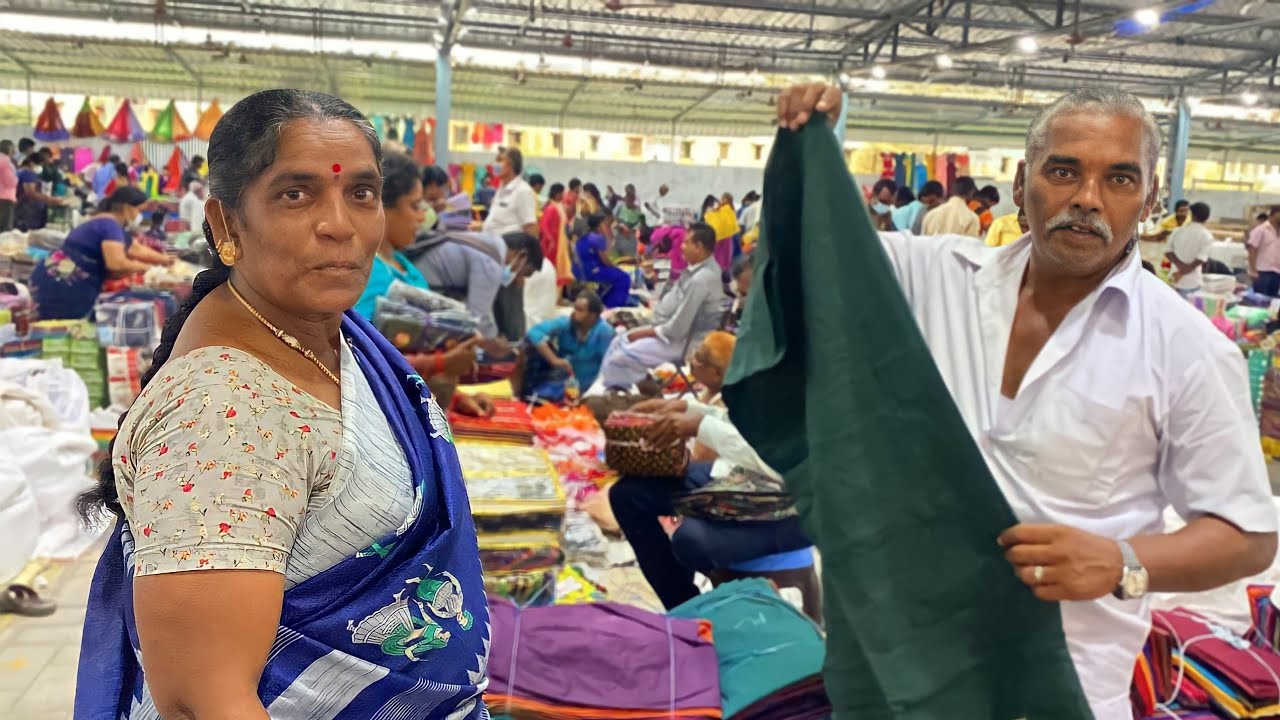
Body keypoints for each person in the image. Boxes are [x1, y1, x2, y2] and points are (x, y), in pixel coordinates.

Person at [778, 82, 1276, 720]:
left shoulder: (1186, 350)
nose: (1087, 199)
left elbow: (1247, 536)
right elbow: (812, 252)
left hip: (1057, 684)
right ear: (1021, 184)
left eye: (1120, 179)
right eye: (1063, 171)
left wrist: (1122, 561)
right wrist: (809, 146)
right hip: (901, 665)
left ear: (1150, 200)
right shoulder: (929, 279)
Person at [75, 89, 489, 720]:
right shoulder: (221, 411)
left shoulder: (326, 333)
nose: (340, 224)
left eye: (361, 193)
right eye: (296, 194)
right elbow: (201, 700)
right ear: (226, 225)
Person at [609, 331, 808, 609]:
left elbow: (773, 461)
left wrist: (698, 425)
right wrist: (685, 407)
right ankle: (683, 608)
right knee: (628, 494)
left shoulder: (816, 385)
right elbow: (745, 424)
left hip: (789, 509)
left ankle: (702, 609)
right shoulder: (778, 367)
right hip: (742, 482)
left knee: (690, 539)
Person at [354, 152, 491, 417]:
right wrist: (442, 363)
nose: (422, 217)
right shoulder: (366, 273)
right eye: (415, 206)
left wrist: (457, 395)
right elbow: (360, 358)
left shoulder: (409, 270)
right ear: (383, 207)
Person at [411, 174, 543, 342]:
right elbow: (477, 317)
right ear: (521, 255)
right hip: (424, 287)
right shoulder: (492, 262)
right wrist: (497, 342)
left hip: (421, 275)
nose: (518, 280)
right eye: (524, 273)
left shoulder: (488, 240)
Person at [597, 223, 725, 389]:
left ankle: (616, 393)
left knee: (621, 355)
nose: (682, 246)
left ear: (699, 247)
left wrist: (646, 332)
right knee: (618, 340)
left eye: (686, 242)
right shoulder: (699, 270)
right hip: (668, 330)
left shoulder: (702, 278)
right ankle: (636, 389)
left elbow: (678, 327)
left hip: (684, 341)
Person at [29, 187, 168, 320]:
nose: (140, 216)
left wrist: (165, 260)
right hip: (64, 283)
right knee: (63, 332)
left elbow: (134, 249)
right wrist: (149, 269)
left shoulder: (108, 223)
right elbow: (116, 263)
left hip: (55, 275)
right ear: (126, 207)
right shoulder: (110, 225)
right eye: (139, 210)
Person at [515, 290, 613, 401]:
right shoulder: (567, 323)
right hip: (560, 379)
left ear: (592, 315)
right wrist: (554, 360)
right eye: (574, 308)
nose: (574, 313)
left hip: (586, 383)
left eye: (580, 310)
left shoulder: (604, 332)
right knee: (529, 346)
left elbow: (607, 365)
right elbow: (534, 333)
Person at [576, 213, 632, 307]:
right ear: (599, 225)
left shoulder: (584, 237)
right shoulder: (597, 238)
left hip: (582, 270)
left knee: (613, 276)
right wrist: (616, 267)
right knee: (624, 277)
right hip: (592, 271)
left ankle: (603, 300)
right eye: (605, 224)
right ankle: (614, 305)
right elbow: (606, 261)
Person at [480, 147, 538, 238]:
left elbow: (531, 229)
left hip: (509, 250)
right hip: (493, 247)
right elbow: (498, 223)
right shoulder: (501, 189)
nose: (495, 165)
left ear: (511, 165)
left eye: (499, 160)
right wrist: (480, 227)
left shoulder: (522, 191)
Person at [1166, 201, 1215, 296]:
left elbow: (1168, 252)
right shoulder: (1206, 235)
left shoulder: (1178, 231)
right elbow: (1201, 259)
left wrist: (1179, 268)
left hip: (1174, 280)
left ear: (1191, 214)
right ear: (1207, 218)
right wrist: (1182, 271)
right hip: (1193, 283)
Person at [538, 182, 572, 285]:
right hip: (552, 243)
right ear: (557, 194)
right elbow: (544, 225)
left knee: (559, 268)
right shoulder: (551, 208)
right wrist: (550, 240)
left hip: (560, 241)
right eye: (562, 193)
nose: (563, 195)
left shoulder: (560, 206)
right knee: (552, 268)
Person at [15, 155, 57, 231]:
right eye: (40, 164)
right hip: (27, 210)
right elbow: (31, 193)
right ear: (31, 163)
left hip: (20, 207)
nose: (40, 167)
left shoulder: (19, 171)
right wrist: (50, 199)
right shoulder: (27, 173)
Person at [1248, 205, 1280, 296]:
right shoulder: (1261, 229)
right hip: (1262, 271)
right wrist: (1253, 270)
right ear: (1275, 214)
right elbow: (1252, 249)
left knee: (1272, 300)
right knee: (1260, 299)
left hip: (1277, 272)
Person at [0, 140, 17, 232]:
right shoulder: (7, 163)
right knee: (5, 228)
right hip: (5, 199)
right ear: (10, 150)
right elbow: (11, 182)